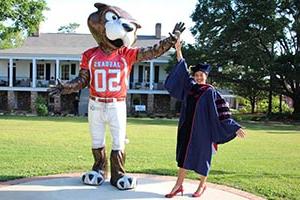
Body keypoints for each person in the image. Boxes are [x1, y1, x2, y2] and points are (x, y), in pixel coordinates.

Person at [164, 39, 246, 198]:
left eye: (202, 75)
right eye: (197, 75)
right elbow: (182, 70)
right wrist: (178, 50)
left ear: (206, 76)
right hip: (186, 129)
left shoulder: (210, 92)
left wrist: (234, 127)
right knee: (184, 158)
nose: (199, 77)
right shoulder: (190, 87)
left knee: (203, 158)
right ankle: (178, 186)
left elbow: (222, 112)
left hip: (203, 132)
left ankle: (202, 185)